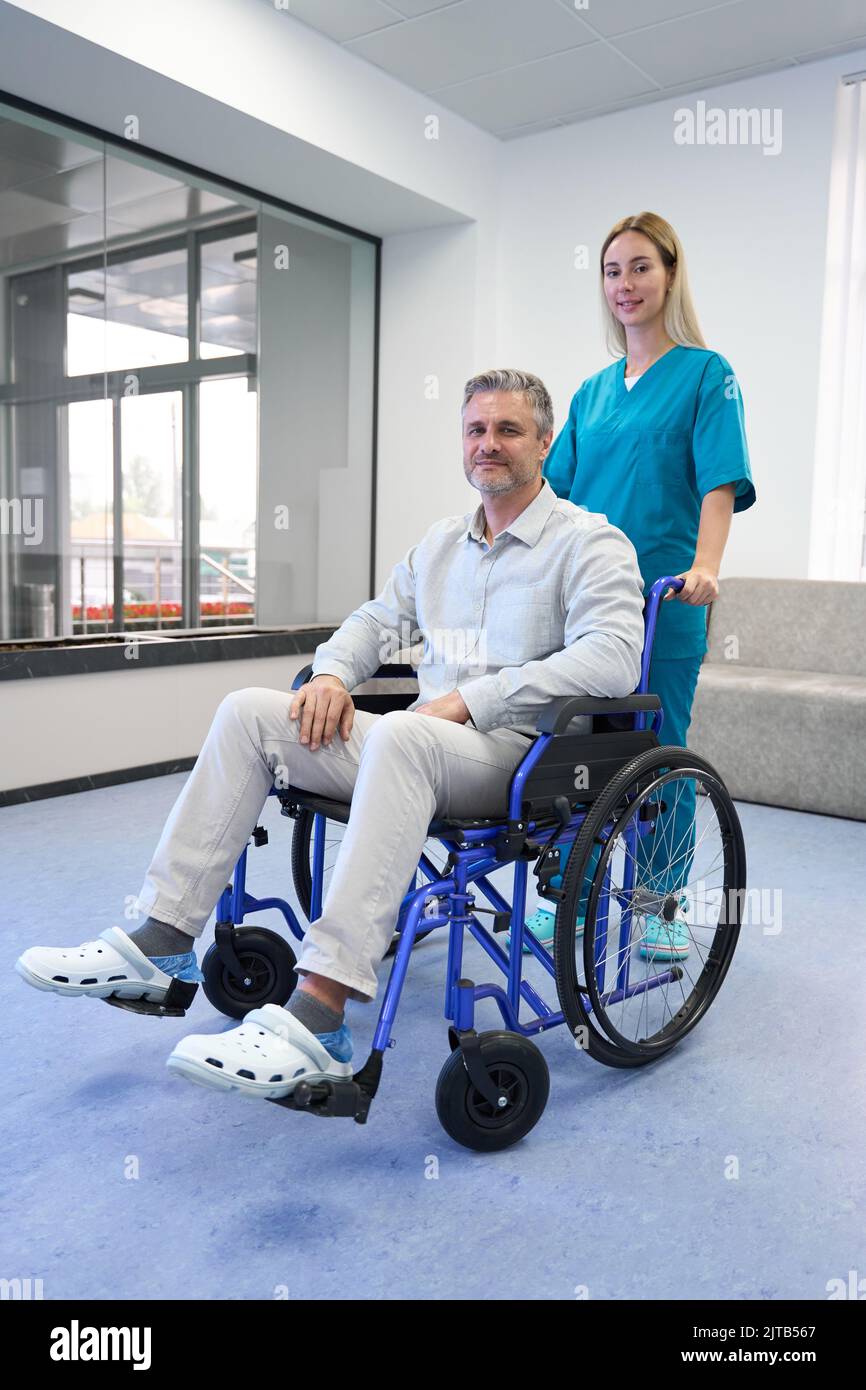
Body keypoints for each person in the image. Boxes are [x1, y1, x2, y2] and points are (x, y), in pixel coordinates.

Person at [16, 369, 646, 1104]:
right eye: (475, 430)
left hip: (518, 755)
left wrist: (472, 701)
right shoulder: (443, 544)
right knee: (250, 710)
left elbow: (611, 655)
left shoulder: (589, 542)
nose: (488, 445)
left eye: (508, 430)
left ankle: (319, 1013)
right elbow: (379, 621)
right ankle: (161, 943)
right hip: (418, 744)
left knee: (403, 737)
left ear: (545, 440)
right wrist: (331, 676)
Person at [522, 212, 755, 961]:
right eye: (613, 271)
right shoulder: (590, 393)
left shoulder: (705, 374)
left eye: (641, 267)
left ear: (671, 274)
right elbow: (549, 496)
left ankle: (657, 906)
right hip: (589, 607)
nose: (625, 284)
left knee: (661, 760)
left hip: (667, 602)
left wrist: (707, 566)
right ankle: (575, 896)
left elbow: (719, 482)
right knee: (574, 757)